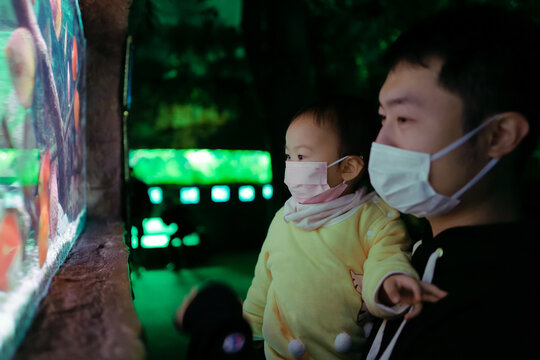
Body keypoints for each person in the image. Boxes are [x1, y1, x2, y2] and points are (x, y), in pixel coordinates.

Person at [363, 4, 540, 360]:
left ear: (498, 136)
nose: (381, 144)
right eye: (383, 117)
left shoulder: (501, 311)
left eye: (405, 118)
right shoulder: (420, 253)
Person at [242, 97, 447, 360]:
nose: (291, 165)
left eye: (302, 156)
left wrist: (389, 283)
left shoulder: (374, 219)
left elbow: (386, 258)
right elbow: (263, 282)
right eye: (288, 156)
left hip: (341, 352)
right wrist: (252, 331)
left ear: (347, 167)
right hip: (279, 352)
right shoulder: (285, 217)